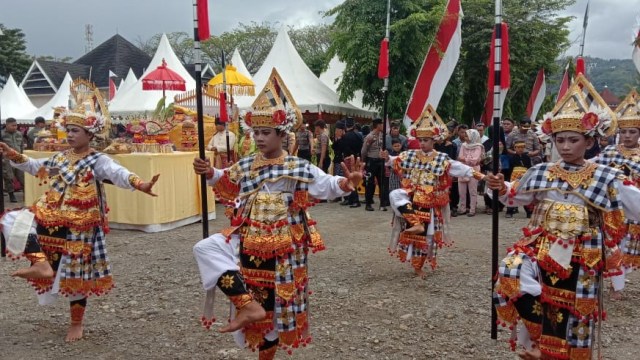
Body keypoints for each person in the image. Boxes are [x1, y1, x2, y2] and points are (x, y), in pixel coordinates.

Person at [191, 74, 363, 359]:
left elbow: (326, 184)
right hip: (248, 238)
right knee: (205, 248)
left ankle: (263, 344)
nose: (259, 137)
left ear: (282, 134)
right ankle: (247, 305)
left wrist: (347, 183)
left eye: (266, 132)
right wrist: (210, 173)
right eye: (256, 132)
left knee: (276, 303)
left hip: (285, 246)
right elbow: (227, 179)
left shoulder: (297, 166)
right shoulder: (247, 164)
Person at [487, 75, 640, 359]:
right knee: (510, 272)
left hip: (584, 251)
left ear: (590, 140)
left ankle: (556, 352)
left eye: (573, 140)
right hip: (542, 245)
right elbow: (514, 196)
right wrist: (498, 186)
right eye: (560, 140)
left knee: (574, 310)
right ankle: (537, 337)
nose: (566, 146)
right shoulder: (542, 171)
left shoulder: (607, 176)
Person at [0, 112, 159, 342]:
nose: (70, 134)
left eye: (76, 131)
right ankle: (41, 264)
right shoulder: (61, 158)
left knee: (76, 274)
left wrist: (141, 184)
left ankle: (76, 323)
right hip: (52, 213)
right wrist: (12, 154)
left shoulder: (98, 160)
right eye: (69, 130)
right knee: (11, 220)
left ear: (89, 134)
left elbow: (118, 174)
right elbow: (37, 167)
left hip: (81, 223)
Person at [382, 105, 484, 278]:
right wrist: (387, 158)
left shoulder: (441, 158)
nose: (422, 143)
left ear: (434, 140)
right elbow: (396, 160)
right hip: (413, 198)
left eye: (426, 140)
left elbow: (459, 168)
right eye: (420, 140)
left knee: (427, 237)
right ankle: (415, 224)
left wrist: (481, 176)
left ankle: (418, 265)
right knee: (394, 194)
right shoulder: (412, 155)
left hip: (430, 201)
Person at [592, 89, 640, 300]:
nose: (628, 136)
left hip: (634, 208)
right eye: (625, 131)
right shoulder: (610, 152)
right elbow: (592, 168)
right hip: (611, 208)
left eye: (633, 132)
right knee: (612, 245)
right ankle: (615, 285)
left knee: (630, 246)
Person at [456, 129, 485, 217]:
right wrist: (467, 159)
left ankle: (472, 210)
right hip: (463, 169)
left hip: (474, 170)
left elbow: (475, 160)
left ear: (473, 136)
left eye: (467, 135)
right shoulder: (463, 145)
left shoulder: (478, 146)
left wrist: (464, 159)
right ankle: (462, 209)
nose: (465, 137)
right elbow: (459, 157)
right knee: (461, 191)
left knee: (472, 191)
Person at [504, 140, 533, 219]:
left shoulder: (527, 158)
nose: (520, 149)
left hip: (525, 177)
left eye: (522, 147)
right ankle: (509, 211)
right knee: (512, 193)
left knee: (525, 193)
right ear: (515, 148)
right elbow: (509, 169)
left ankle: (529, 212)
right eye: (518, 147)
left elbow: (529, 168)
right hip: (514, 178)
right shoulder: (511, 158)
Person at [340, 117, 364, 207]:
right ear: (353, 125)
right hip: (357, 158)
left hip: (348, 159)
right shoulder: (358, 135)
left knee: (350, 179)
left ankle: (354, 200)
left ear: (346, 126)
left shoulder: (345, 136)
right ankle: (352, 199)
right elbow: (361, 147)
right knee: (354, 179)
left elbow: (344, 148)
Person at [2, 117, 25, 202]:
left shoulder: (19, 134)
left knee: (21, 176)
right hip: (7, 159)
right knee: (8, 176)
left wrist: (22, 155)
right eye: (13, 125)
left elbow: (22, 145)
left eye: (16, 125)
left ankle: (25, 193)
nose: (15, 127)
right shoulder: (2, 134)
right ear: (7, 125)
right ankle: (11, 194)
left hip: (18, 157)